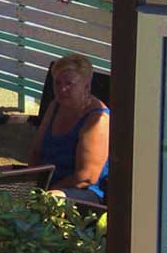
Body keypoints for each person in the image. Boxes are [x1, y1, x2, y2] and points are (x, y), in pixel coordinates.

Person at [28, 54, 109, 203]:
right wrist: (28, 182)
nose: (62, 89)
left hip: (83, 193)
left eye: (69, 84)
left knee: (49, 200)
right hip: (46, 184)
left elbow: (86, 177)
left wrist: (45, 192)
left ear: (86, 86)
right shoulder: (55, 106)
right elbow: (36, 152)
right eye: (57, 83)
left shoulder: (97, 118)